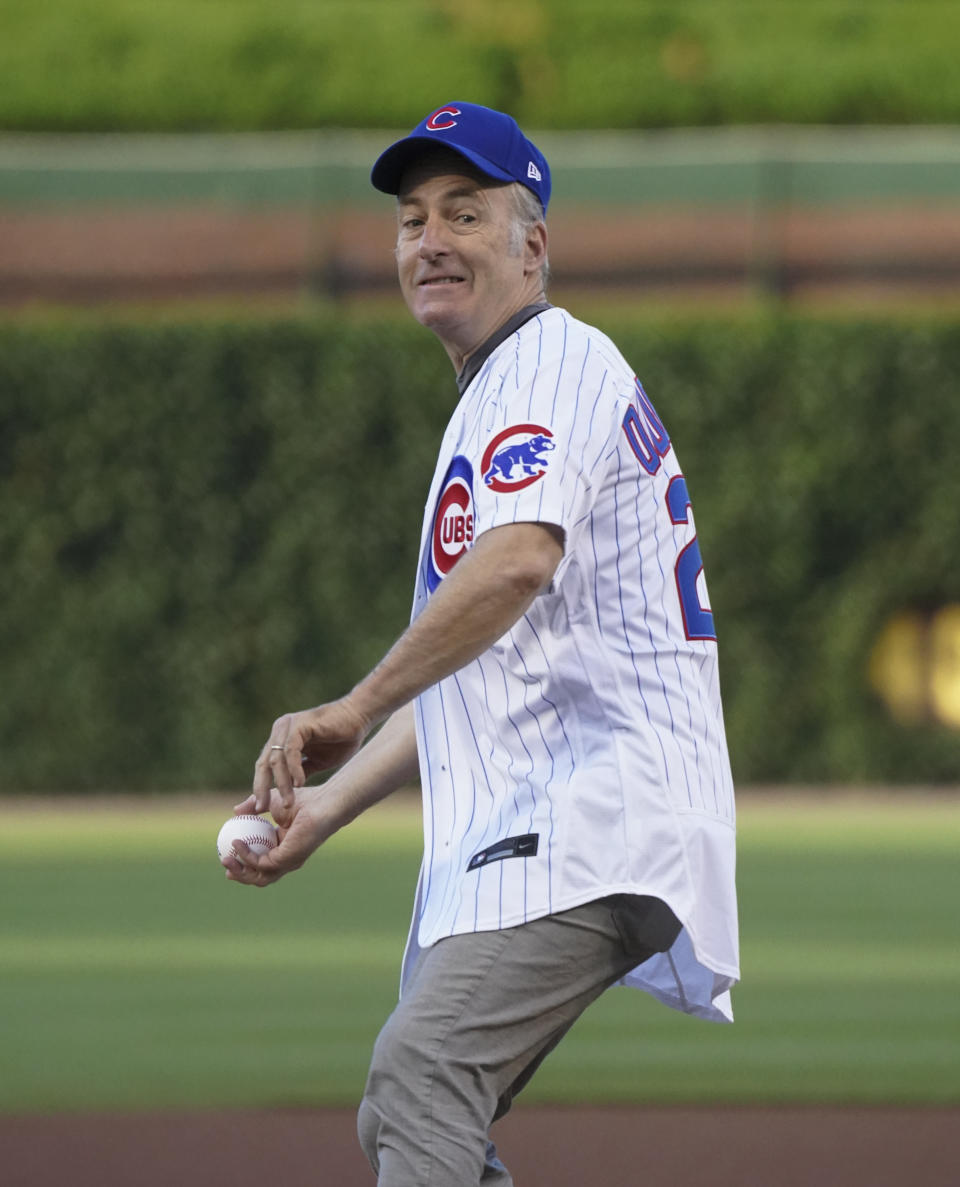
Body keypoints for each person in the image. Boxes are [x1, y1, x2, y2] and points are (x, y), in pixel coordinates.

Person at [223, 101, 740, 1187]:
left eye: (467, 211)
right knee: (404, 1108)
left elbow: (514, 568)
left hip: (598, 808)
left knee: (422, 1071)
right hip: (565, 811)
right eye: (414, 219)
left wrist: (350, 705)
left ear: (532, 245)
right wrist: (332, 801)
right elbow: (489, 655)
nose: (433, 239)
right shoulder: (506, 387)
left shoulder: (549, 364)